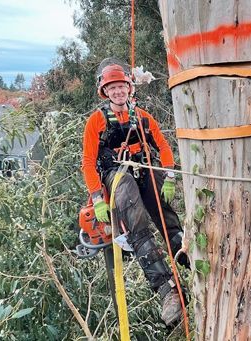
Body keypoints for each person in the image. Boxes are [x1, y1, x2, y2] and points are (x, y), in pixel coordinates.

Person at [81, 61, 188, 325]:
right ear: (105, 91)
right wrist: (97, 198)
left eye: (121, 87)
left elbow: (162, 146)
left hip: (142, 170)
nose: (118, 92)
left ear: (129, 88)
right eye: (112, 88)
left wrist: (169, 175)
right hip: (116, 177)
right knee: (133, 208)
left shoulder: (141, 116)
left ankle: (187, 256)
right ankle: (167, 290)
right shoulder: (97, 121)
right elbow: (87, 161)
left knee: (162, 205)